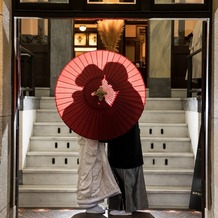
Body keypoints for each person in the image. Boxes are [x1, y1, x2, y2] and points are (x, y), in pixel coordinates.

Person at [107, 121, 149, 216]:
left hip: (122, 153)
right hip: (130, 151)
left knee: (124, 180)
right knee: (128, 179)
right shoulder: (130, 113)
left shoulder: (118, 114)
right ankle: (129, 206)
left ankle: (126, 208)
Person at [76, 135, 121, 214]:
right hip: (90, 147)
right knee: (91, 174)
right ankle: (89, 202)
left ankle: (92, 202)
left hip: (89, 146)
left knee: (92, 174)